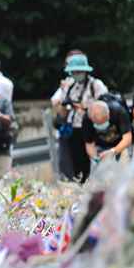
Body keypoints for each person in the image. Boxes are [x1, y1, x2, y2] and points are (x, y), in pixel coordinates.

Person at [51, 52, 109, 182]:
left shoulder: (96, 85)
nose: (76, 74)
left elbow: (105, 106)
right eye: (73, 72)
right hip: (74, 130)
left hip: (93, 129)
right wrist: (64, 106)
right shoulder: (70, 86)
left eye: (79, 71)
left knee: (93, 165)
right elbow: (60, 107)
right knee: (76, 166)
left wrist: (84, 108)